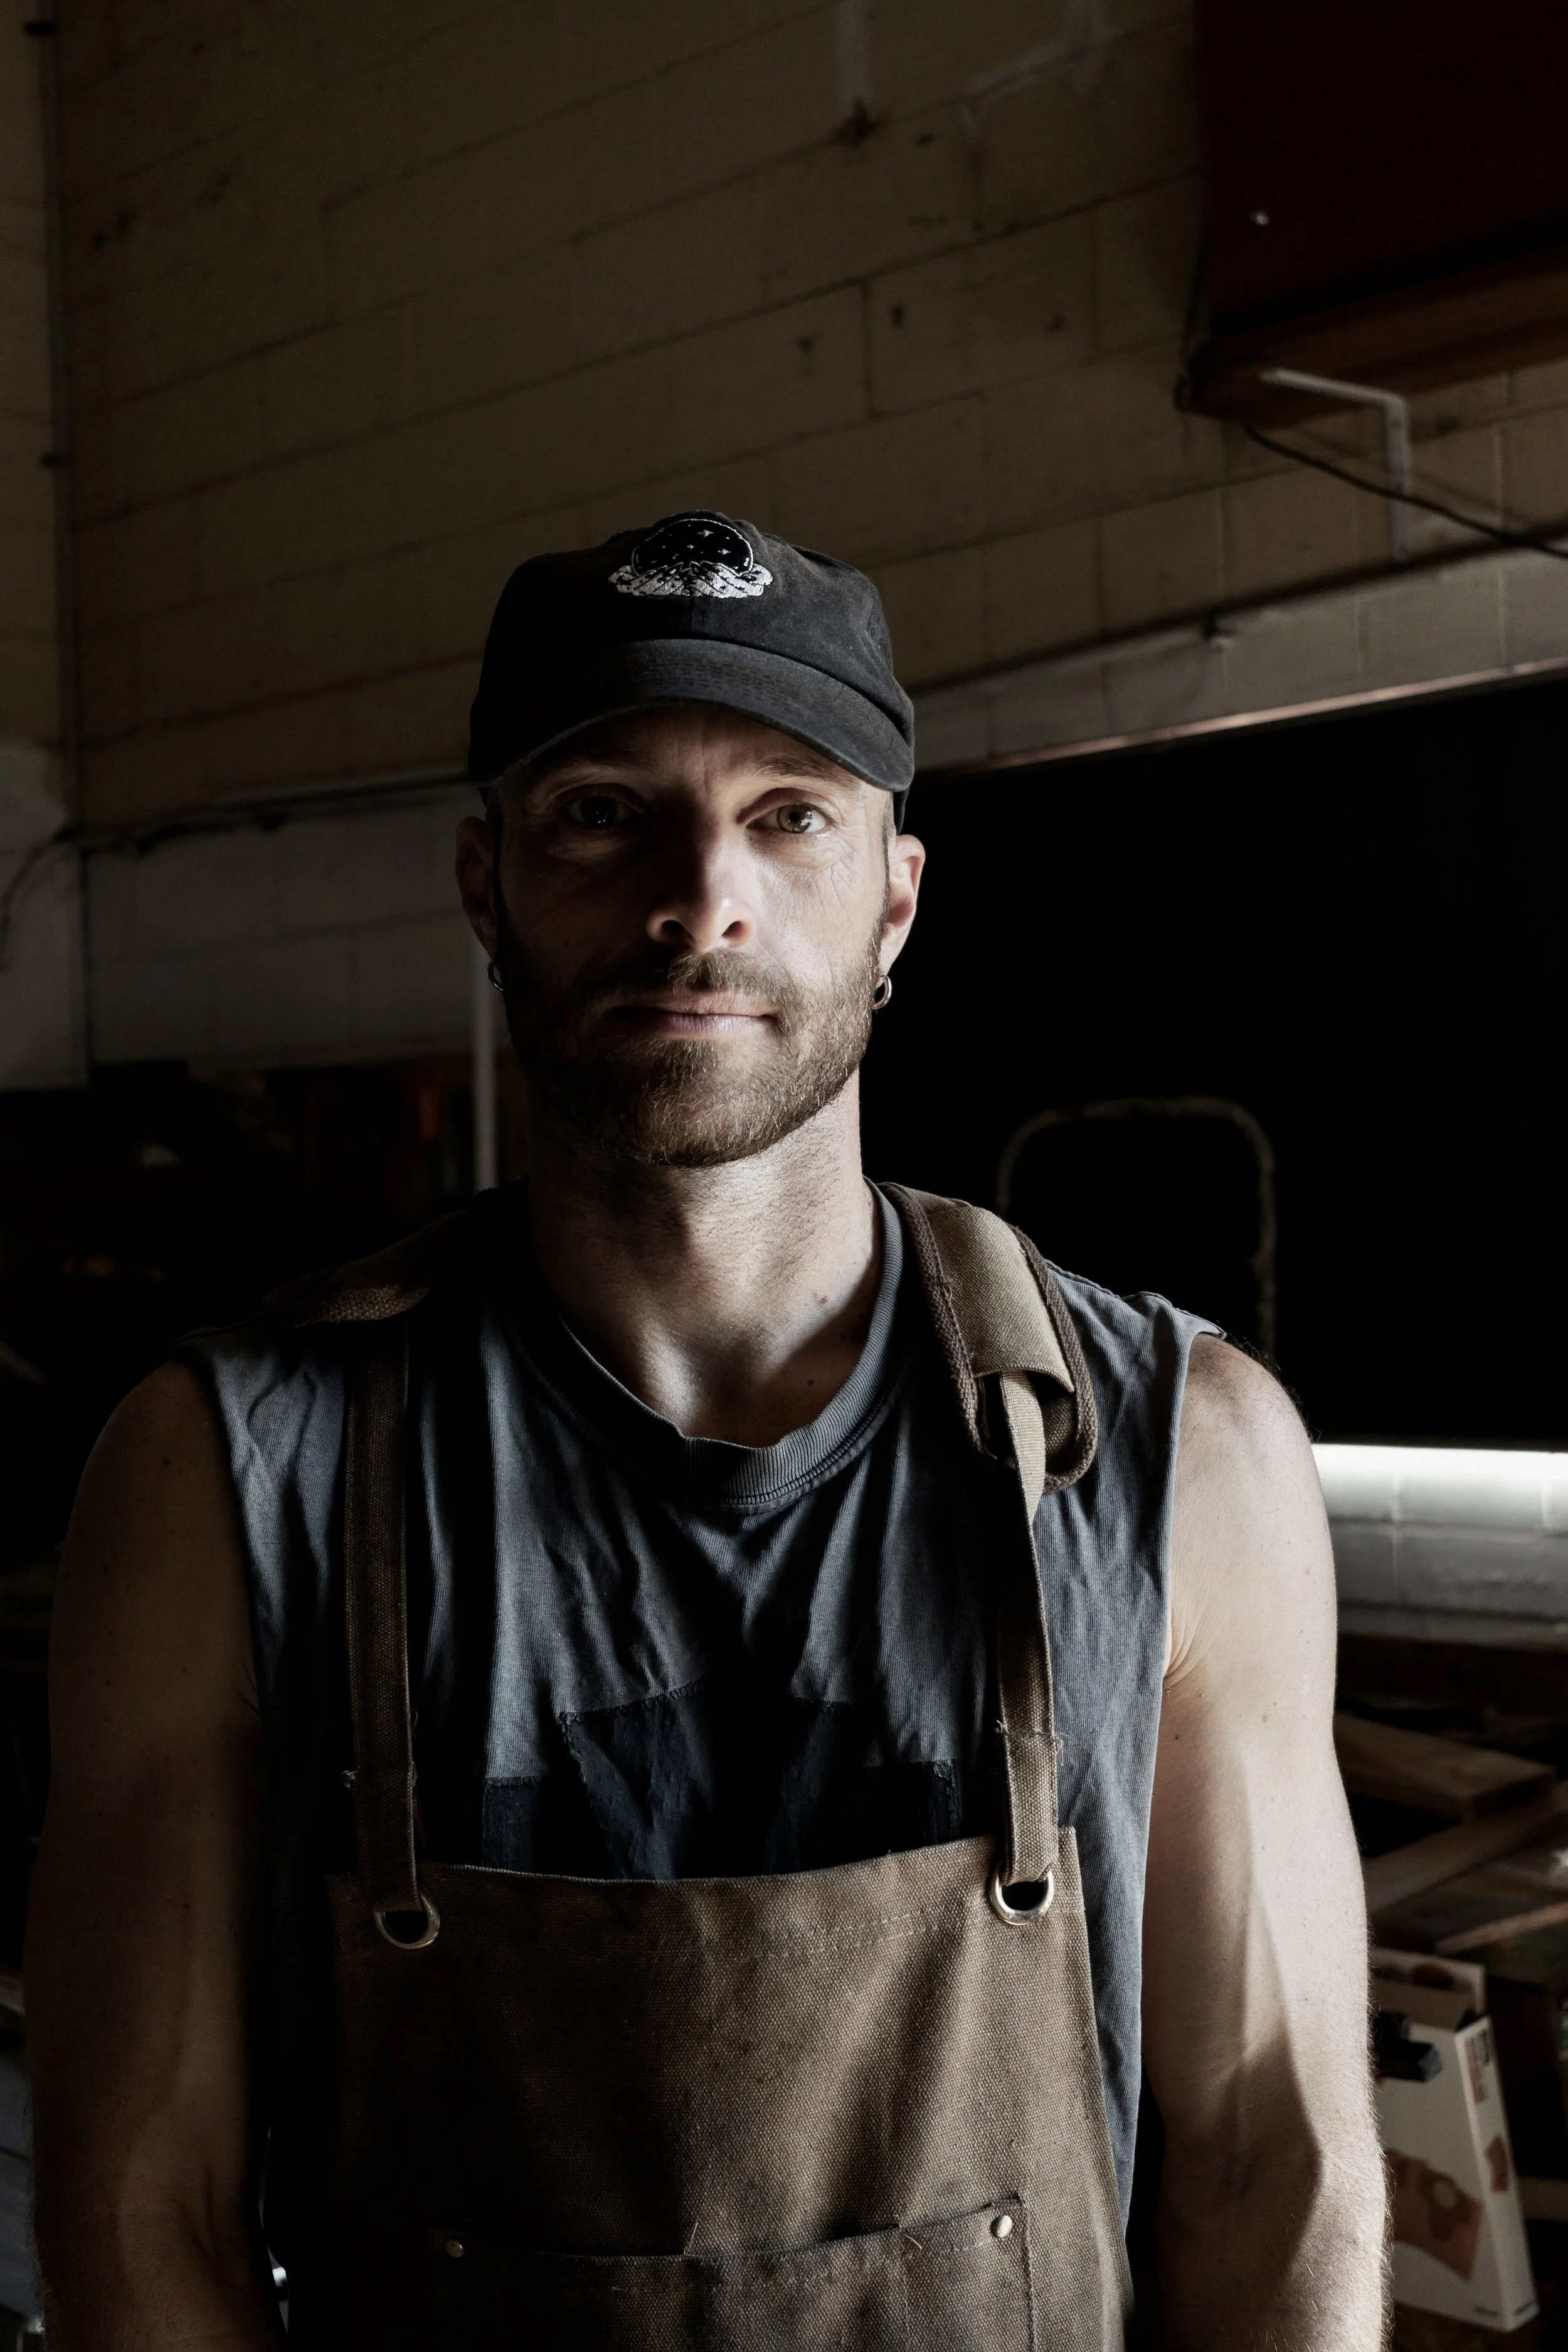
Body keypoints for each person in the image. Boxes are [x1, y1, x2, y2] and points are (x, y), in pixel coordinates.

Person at [28, 511, 1385, 2349]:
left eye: (787, 812)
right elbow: (142, 2206)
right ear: (483, 878)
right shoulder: (226, 1474)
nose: (697, 898)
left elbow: (1269, 2176)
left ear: (894, 896)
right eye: (601, 810)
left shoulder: (1179, 1453)